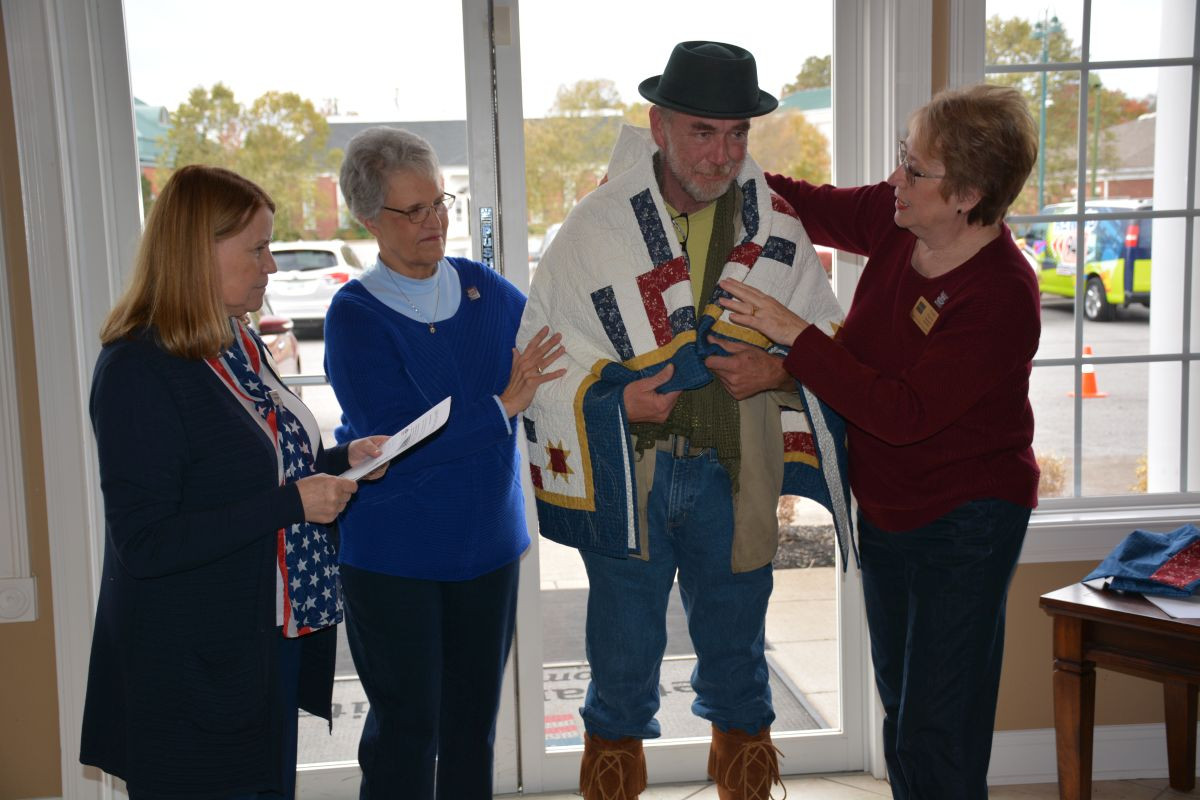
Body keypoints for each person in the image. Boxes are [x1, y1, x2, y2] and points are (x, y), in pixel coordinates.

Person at [517, 41, 852, 800]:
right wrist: (614, 399)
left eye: (737, 133)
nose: (721, 152)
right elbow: (544, 354)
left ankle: (745, 784)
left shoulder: (777, 226)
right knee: (622, 664)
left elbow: (830, 345)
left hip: (737, 476)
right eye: (703, 131)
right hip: (630, 475)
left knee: (738, 661)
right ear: (659, 126)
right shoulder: (597, 225)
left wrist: (779, 367)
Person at [719, 83, 1041, 799]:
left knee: (938, 726)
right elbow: (802, 201)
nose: (895, 179)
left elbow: (902, 412)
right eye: (904, 158)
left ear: (966, 194)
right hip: (891, 509)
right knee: (905, 712)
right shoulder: (901, 224)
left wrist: (792, 334)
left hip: (968, 522)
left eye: (915, 170)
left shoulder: (1001, 295)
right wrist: (716, 166)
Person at [80, 164, 390, 798]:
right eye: (256, 248)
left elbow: (258, 473)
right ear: (198, 252)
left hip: (257, 644)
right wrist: (292, 503)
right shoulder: (139, 369)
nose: (271, 266)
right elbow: (148, 542)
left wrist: (340, 461)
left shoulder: (233, 344)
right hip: (187, 669)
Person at [323, 126, 565, 800]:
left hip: (486, 549)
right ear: (369, 219)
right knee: (407, 732)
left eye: (440, 203)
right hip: (392, 557)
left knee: (471, 732)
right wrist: (501, 406)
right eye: (413, 211)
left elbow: (556, 338)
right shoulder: (355, 316)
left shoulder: (485, 288)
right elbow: (391, 439)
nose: (435, 222)